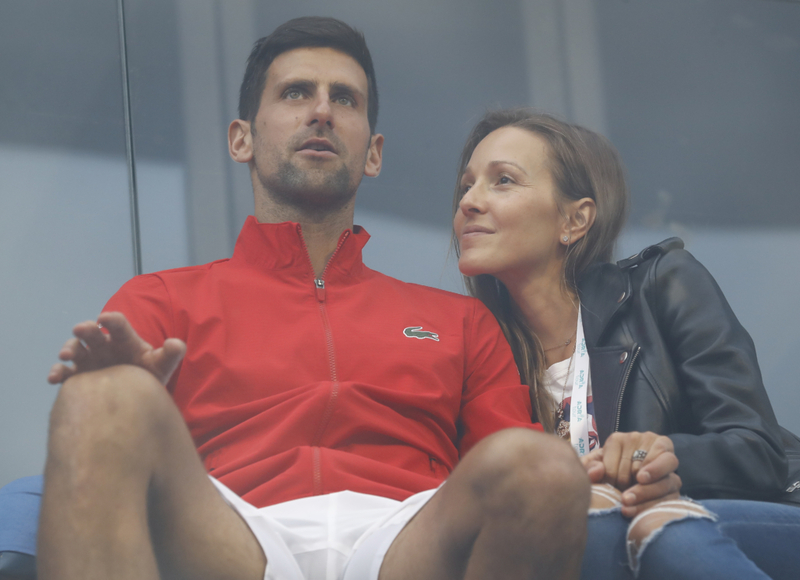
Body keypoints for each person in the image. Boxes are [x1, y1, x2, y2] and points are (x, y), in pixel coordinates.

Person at [38, 18, 684, 580]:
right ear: (242, 139)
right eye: (296, 93)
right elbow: (121, 443)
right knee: (103, 395)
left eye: (343, 100)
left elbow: (528, 477)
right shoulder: (161, 299)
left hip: (405, 540)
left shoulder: (460, 322)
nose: (321, 111)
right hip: (233, 532)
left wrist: (629, 476)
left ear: (372, 154)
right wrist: (135, 396)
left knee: (540, 465)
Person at [452, 108, 800, 579]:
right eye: (466, 185)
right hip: (608, 551)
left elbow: (759, 452)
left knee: (661, 530)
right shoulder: (472, 354)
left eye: (503, 181)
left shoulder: (664, 285)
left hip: (741, 524)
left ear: (575, 221)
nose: (469, 201)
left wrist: (658, 455)